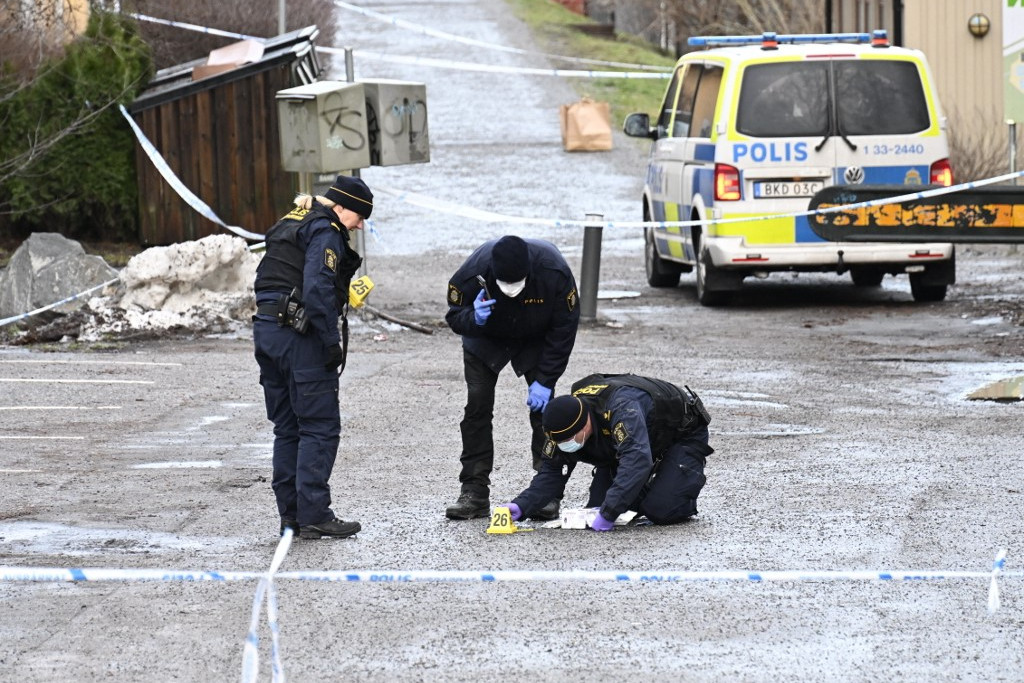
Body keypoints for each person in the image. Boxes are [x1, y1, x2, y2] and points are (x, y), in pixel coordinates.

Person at [252, 175, 372, 539]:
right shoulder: (326, 230)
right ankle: (315, 515)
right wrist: (328, 340)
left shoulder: (290, 221)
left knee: (287, 428)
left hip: (267, 330)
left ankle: (291, 516)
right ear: (342, 207)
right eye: (360, 216)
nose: (361, 225)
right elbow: (317, 286)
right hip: (298, 335)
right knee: (319, 426)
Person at [444, 235, 580, 520]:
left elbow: (564, 330)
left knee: (546, 413)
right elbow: (455, 316)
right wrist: (473, 318)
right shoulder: (472, 273)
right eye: (505, 284)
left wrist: (545, 379)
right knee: (477, 407)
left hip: (535, 337)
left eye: (517, 284)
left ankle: (546, 491)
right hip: (486, 339)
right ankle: (474, 491)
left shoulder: (553, 272)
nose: (511, 290)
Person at [505, 373, 712, 531]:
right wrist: (521, 506)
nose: (567, 445)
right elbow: (551, 473)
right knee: (597, 505)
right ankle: (647, 487)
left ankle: (675, 483)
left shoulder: (622, 409)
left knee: (659, 509)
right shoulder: (563, 424)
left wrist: (609, 514)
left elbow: (637, 460)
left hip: (681, 433)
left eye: (570, 439)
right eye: (561, 441)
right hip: (636, 440)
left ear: (586, 423)